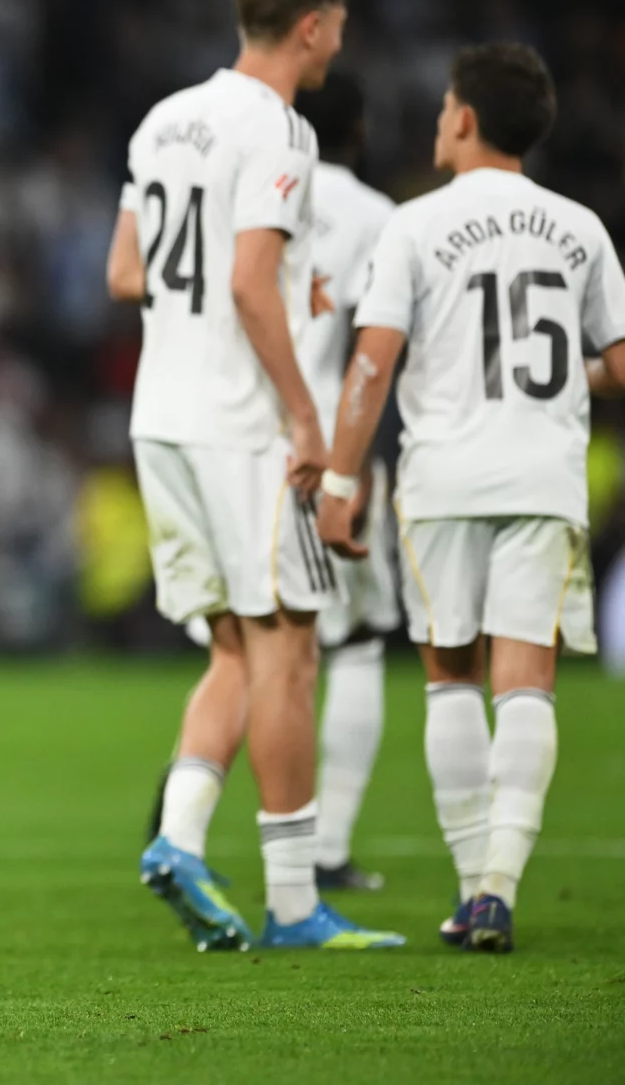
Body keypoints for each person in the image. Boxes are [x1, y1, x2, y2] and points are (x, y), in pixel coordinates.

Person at [105, 0, 401, 949]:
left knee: (235, 643)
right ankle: (292, 902)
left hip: (161, 413)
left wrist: (213, 304)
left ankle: (180, 837)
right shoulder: (277, 128)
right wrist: (307, 419)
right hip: (241, 423)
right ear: (313, 24)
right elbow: (245, 281)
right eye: (340, 22)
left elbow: (123, 272)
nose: (340, 39)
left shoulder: (163, 118)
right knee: (290, 651)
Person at [318, 42, 625, 953]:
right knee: (525, 680)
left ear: (460, 119)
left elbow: (373, 361)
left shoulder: (413, 226)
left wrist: (339, 476)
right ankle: (497, 886)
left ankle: (467, 887)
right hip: (543, 474)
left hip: (444, 479)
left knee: (450, 675)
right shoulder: (582, 228)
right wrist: (558, 377)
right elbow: (619, 364)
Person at [290, 73, 401, 892]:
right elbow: (378, 352)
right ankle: (324, 850)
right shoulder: (378, 217)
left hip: (249, 441)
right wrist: (356, 465)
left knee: (257, 640)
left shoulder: (254, 196)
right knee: (356, 644)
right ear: (357, 130)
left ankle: (184, 806)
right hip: (337, 449)